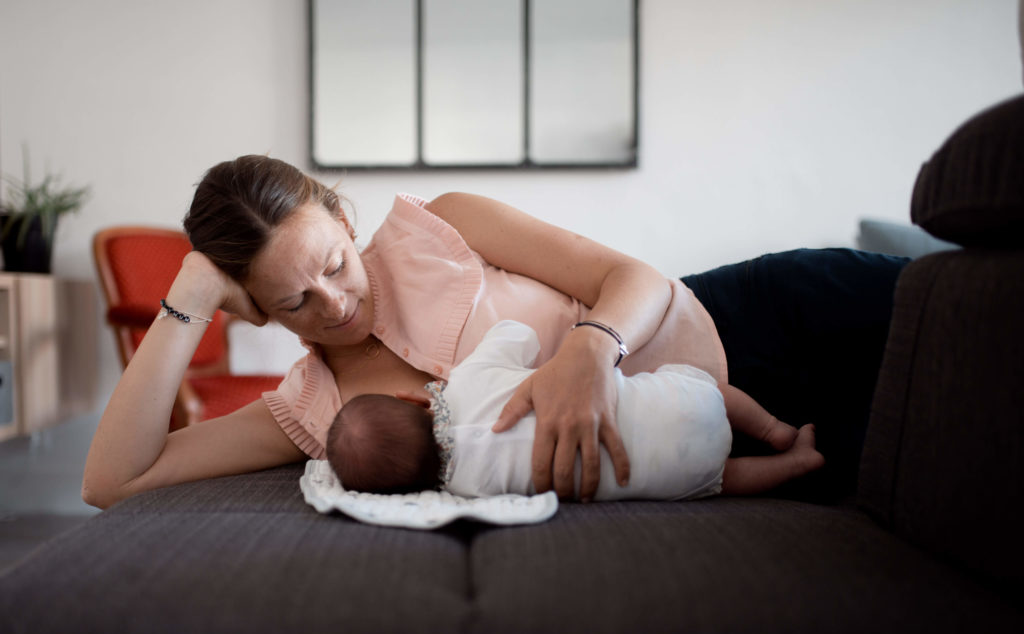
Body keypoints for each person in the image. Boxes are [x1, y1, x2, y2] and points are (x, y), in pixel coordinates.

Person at [82, 154, 906, 509]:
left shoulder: (445, 225)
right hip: (719, 456)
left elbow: (638, 280)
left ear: (342, 215)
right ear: (256, 309)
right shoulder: (310, 409)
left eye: (334, 262)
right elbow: (112, 480)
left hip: (761, 319)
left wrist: (590, 349)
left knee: (959, 307)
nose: (333, 304)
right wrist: (191, 292)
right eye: (294, 300)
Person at [327, 320, 823, 500]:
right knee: (710, 388)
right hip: (683, 405)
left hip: (677, 475)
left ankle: (795, 464)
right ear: (411, 398)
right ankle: (775, 431)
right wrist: (457, 371)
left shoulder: (469, 490)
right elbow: (519, 333)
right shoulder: (466, 381)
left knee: (725, 480)